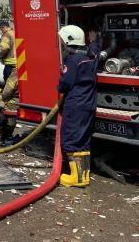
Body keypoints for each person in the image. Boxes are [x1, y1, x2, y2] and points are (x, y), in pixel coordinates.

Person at [58, 25, 98, 187]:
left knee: (72, 138)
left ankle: (76, 178)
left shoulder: (73, 60)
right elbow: (95, 49)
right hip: (88, 104)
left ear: (69, 40)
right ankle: (84, 176)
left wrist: (59, 86)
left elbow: (65, 83)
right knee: (83, 139)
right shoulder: (90, 57)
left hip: (75, 105)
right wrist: (94, 41)